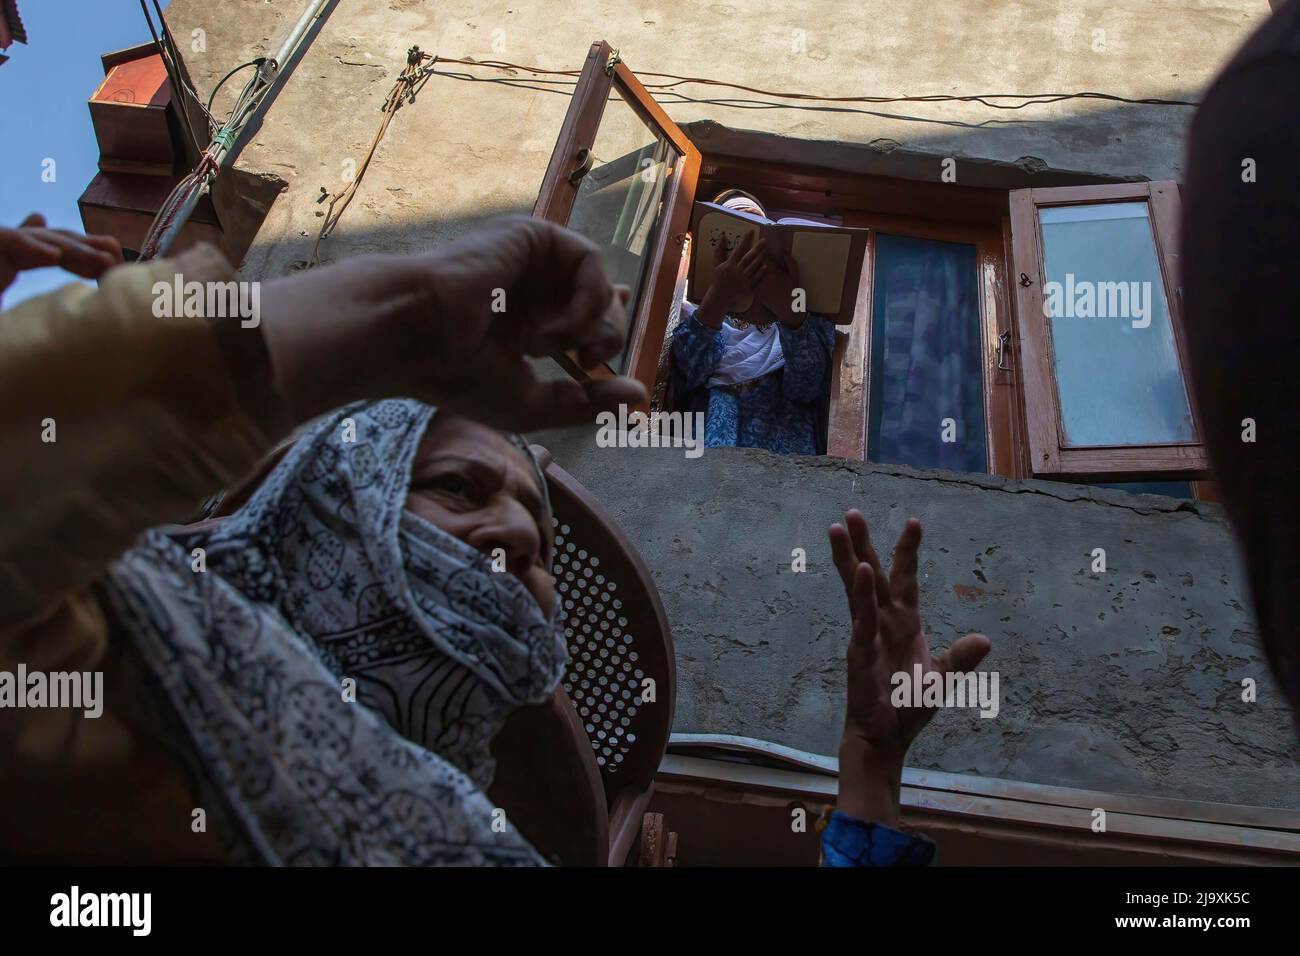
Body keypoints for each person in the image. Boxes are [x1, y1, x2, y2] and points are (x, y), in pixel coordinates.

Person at [0, 213, 644, 863]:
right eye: (453, 486)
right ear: (321, 507)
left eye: (539, 540)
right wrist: (399, 315)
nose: (515, 534)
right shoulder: (105, 671)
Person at [671, 190, 836, 455]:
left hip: (782, 446)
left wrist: (788, 307)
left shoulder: (800, 305)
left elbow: (806, 387)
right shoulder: (692, 309)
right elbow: (687, 375)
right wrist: (719, 297)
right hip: (709, 446)